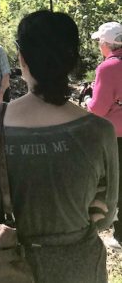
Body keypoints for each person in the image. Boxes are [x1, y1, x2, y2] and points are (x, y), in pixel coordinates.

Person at [0, 10, 118, 283]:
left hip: (10, 267)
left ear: (22, 58)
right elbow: (106, 216)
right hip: (81, 268)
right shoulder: (100, 131)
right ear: (73, 60)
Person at [85, 21, 122, 248]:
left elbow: (97, 109)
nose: (99, 44)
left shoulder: (107, 68)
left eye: (100, 41)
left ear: (107, 44)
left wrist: (88, 98)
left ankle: (120, 235)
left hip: (115, 137)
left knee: (117, 184)